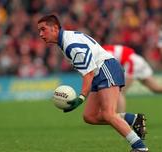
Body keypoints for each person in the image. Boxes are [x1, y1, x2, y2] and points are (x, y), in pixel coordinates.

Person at [37, 14, 148, 152]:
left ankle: (139, 147)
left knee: (108, 114)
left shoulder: (70, 45)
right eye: (39, 31)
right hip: (100, 71)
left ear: (54, 28)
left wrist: (81, 97)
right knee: (90, 116)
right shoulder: (66, 39)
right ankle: (133, 119)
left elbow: (88, 73)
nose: (41, 34)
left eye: (43, 29)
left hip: (106, 68)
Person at [102, 44, 162, 112]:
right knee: (156, 88)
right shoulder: (103, 50)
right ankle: (119, 117)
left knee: (119, 91)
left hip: (132, 63)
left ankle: (120, 117)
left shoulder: (103, 53)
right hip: (137, 60)